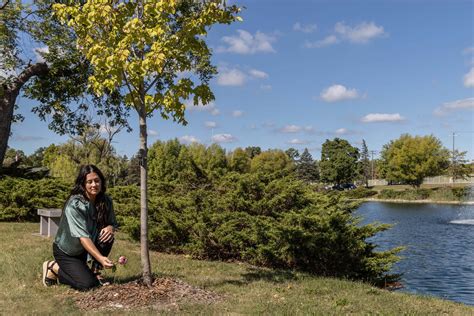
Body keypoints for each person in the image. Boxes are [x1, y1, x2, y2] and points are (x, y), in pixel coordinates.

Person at [42, 164, 118, 290]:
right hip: (68, 252)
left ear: (101, 182)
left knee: (107, 236)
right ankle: (54, 267)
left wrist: (110, 227)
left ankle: (95, 272)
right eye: (90, 182)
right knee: (87, 285)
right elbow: (83, 237)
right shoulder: (75, 205)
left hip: (85, 250)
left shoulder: (106, 201)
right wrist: (101, 258)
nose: (94, 185)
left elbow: (112, 223)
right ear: (83, 184)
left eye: (97, 181)